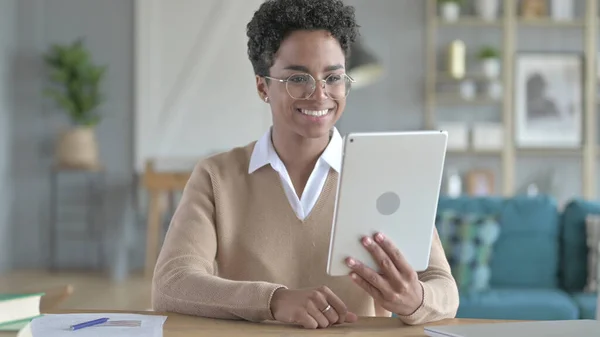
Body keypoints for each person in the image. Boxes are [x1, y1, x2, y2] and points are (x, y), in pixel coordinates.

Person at [151, 0, 459, 329]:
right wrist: (274, 301)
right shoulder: (216, 177)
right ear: (262, 86)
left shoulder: (388, 172)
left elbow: (445, 290)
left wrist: (416, 299)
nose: (320, 94)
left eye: (333, 77)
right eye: (299, 78)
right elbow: (171, 284)